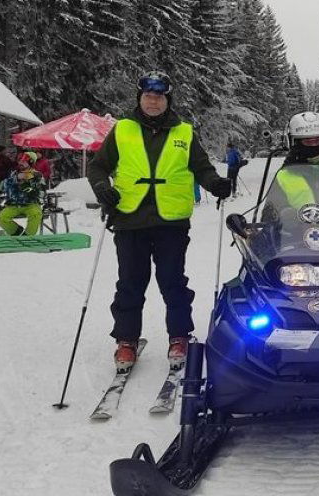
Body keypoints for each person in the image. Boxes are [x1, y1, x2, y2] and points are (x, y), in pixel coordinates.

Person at [87, 70, 233, 371]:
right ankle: (126, 341)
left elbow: (202, 168)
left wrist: (215, 183)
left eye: (159, 97)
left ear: (168, 100)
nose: (153, 101)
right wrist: (103, 189)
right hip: (129, 218)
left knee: (173, 282)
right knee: (130, 282)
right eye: (148, 96)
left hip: (171, 222)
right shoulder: (122, 129)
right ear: (140, 98)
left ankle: (179, 336)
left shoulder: (184, 133)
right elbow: (98, 167)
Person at [0, 152, 46, 236]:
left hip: (31, 204)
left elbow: (42, 191)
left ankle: (28, 236)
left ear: (30, 162)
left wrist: (32, 189)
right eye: (20, 160)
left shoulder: (37, 175)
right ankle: (16, 232)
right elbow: (3, 187)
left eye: (24, 161)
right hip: (14, 205)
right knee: (1, 218)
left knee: (36, 214)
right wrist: (16, 179)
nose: (20, 163)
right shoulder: (14, 174)